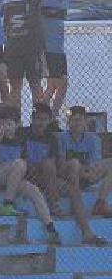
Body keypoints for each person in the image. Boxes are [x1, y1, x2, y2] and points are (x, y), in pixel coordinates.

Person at [24, 104, 106, 245]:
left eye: (44, 119)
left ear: (49, 120)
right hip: (27, 177)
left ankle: (87, 233)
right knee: (50, 164)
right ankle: (53, 204)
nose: (40, 122)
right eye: (37, 119)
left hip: (48, 179)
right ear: (32, 119)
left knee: (73, 190)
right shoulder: (23, 134)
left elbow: (60, 166)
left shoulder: (51, 138)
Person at [0, 105, 61, 244]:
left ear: (17, 124)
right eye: (2, 123)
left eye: (9, 124)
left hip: (13, 180)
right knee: (20, 163)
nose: (6, 127)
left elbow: (26, 164)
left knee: (33, 190)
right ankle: (7, 204)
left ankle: (50, 228)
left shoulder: (22, 139)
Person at [0, 0, 53, 109]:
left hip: (33, 47)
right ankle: (16, 122)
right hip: (12, 48)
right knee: (15, 87)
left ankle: (40, 119)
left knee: (36, 85)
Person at [58, 105, 112, 218]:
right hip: (69, 178)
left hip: (88, 175)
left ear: (85, 122)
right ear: (68, 122)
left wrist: (86, 172)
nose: (77, 123)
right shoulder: (61, 138)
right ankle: (76, 203)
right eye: (74, 120)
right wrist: (81, 170)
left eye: (80, 120)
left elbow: (94, 164)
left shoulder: (94, 139)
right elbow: (61, 164)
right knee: (74, 163)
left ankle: (100, 203)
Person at [40, 0, 70, 115]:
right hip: (47, 49)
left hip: (59, 49)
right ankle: (45, 115)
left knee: (59, 85)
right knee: (56, 84)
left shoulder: (66, 0)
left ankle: (48, 115)